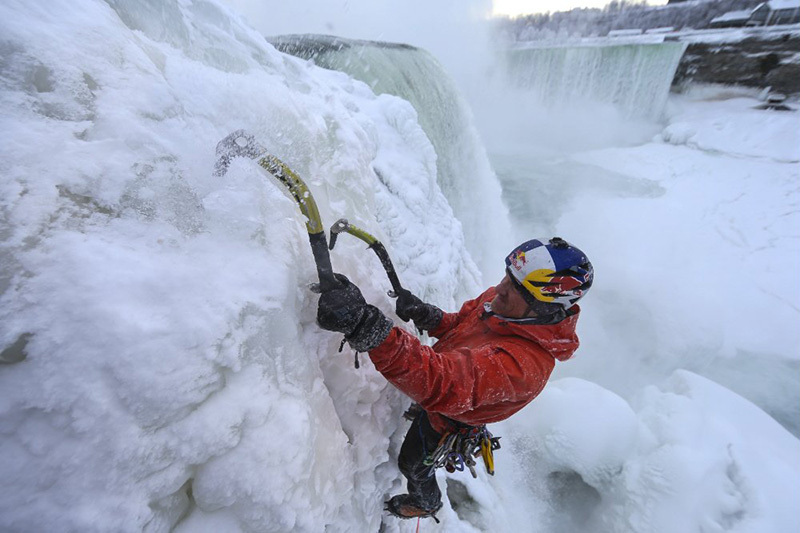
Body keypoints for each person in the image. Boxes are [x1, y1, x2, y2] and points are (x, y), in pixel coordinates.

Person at [316, 237, 594, 521]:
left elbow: (442, 382)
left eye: (516, 288)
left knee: (412, 465)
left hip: (452, 416)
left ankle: (427, 504)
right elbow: (460, 325)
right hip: (453, 388)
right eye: (508, 277)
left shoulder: (524, 367)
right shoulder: (501, 304)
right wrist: (428, 315)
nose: (499, 289)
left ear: (544, 307)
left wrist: (368, 327)